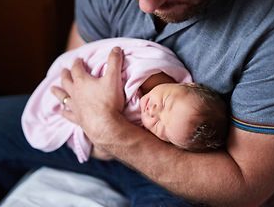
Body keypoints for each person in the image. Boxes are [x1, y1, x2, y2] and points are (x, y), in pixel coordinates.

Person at [0, 0, 274, 206]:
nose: (146, 5)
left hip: (185, 174)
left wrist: (109, 131)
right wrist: (94, 137)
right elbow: (76, 70)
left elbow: (245, 185)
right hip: (94, 140)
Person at [22, 37, 228, 163]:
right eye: (166, 104)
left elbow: (114, 141)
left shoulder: (147, 124)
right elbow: (109, 60)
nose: (154, 112)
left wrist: (104, 123)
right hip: (78, 82)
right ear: (188, 85)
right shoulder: (154, 66)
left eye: (159, 127)